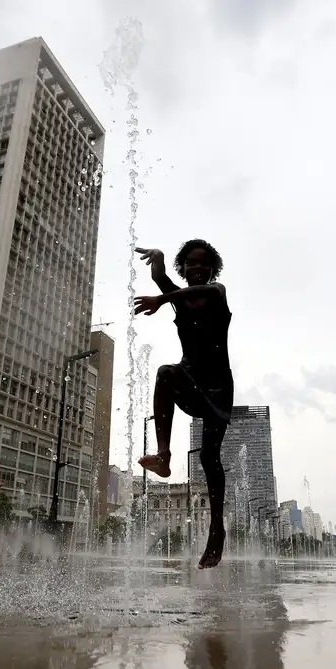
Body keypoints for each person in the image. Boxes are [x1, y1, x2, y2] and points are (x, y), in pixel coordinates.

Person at [132, 240, 232, 569]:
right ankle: (163, 455)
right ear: (184, 268)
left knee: (208, 455)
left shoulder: (217, 291)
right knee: (165, 373)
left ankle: (216, 531)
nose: (197, 269)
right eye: (190, 264)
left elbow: (185, 294)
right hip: (190, 379)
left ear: (212, 268)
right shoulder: (181, 297)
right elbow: (162, 279)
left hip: (217, 388)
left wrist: (163, 298)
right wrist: (158, 261)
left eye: (203, 264)